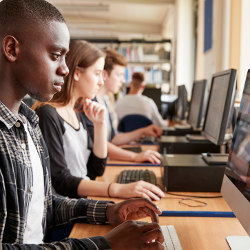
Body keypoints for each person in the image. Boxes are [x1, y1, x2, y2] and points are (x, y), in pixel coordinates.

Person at [0, 0, 165, 249]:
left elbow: (47, 205)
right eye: (56, 55)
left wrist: (109, 211)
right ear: (12, 49)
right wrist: (103, 245)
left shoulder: (28, 123)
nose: (65, 69)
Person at [33, 40, 164, 201]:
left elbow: (96, 170)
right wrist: (116, 189)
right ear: (77, 73)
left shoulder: (78, 112)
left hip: (82, 201)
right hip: (65, 211)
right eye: (97, 74)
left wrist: (100, 125)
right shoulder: (48, 114)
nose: (101, 82)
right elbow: (61, 181)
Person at [82, 49, 163, 164]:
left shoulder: (105, 100)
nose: (123, 80)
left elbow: (113, 139)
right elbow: (99, 143)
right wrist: (134, 157)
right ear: (104, 74)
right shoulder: (89, 103)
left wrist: (143, 131)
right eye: (119, 75)